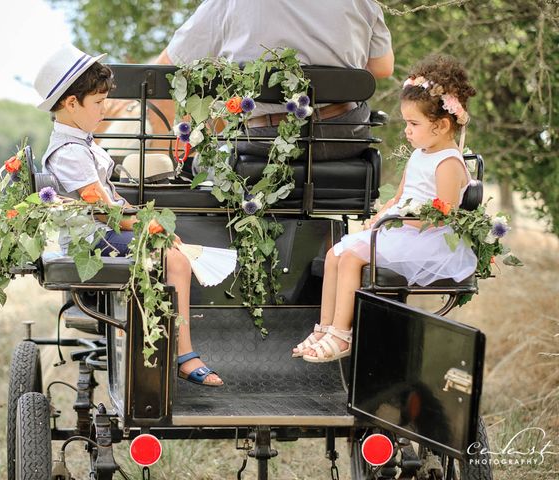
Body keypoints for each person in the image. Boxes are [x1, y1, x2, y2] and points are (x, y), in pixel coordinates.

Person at [34, 44, 223, 386]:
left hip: (101, 232)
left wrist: (142, 219)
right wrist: (145, 225)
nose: (104, 110)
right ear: (71, 103)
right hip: (90, 240)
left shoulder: (84, 142)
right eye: (97, 103)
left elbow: (110, 198)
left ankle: (166, 345)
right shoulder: (68, 152)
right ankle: (182, 354)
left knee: (173, 249)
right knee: (174, 259)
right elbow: (102, 210)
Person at [293, 55, 478, 362]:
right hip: (400, 227)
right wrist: (384, 214)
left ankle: (341, 334)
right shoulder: (421, 154)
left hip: (427, 238)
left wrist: (398, 222)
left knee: (351, 259)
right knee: (333, 254)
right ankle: (324, 328)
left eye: (414, 124)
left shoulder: (448, 162)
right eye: (407, 123)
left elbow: (444, 213)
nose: (407, 130)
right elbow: (402, 195)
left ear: (442, 125)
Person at [155, 0, 394, 161]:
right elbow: (382, 68)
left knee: (202, 164)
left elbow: (169, 65)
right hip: (344, 137)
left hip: (262, 142)